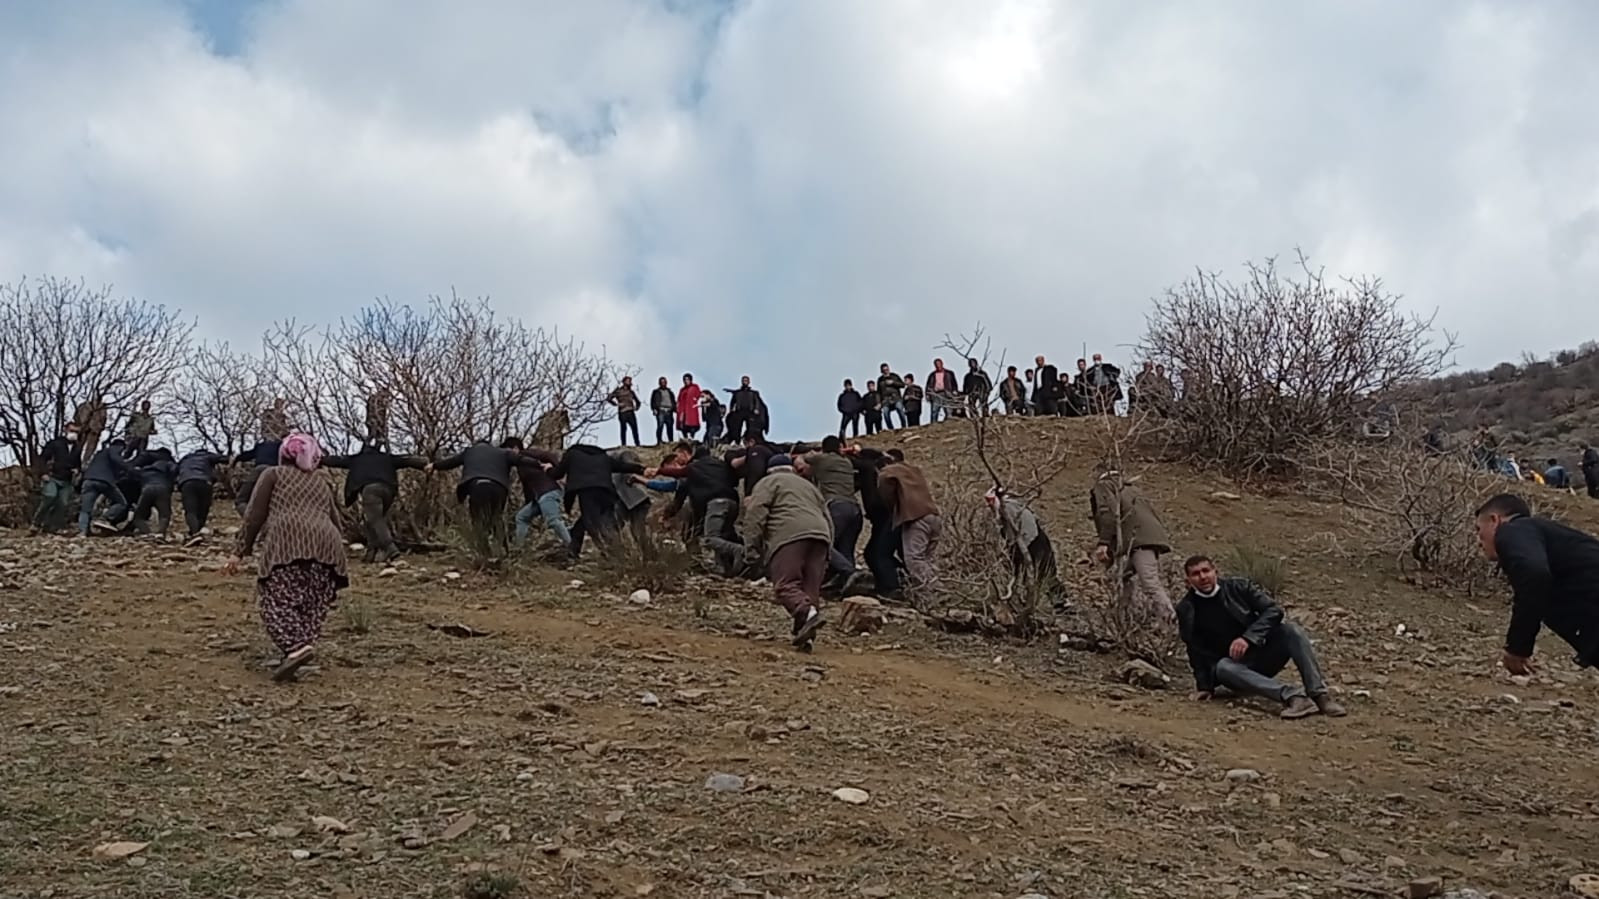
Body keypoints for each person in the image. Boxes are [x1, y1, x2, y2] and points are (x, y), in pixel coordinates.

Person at [224, 433, 349, 682]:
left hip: (287, 544)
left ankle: (295, 649)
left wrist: (238, 551)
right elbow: (337, 522)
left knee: (275, 603)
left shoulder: (272, 474)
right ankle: (299, 654)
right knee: (312, 605)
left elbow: (254, 514)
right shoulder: (320, 482)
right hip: (328, 547)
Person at [1177, 555, 1346, 719]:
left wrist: (1248, 638)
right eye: (1196, 574)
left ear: (1216, 571)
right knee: (1223, 667)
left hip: (1263, 652)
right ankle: (1294, 698)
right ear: (1188, 580)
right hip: (1234, 669)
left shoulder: (1239, 587)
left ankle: (1320, 696)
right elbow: (1194, 648)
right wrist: (1204, 686)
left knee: (1292, 630)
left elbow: (1273, 610)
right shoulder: (1186, 609)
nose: (1203, 577)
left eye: (1206, 571)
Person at [1474, 493, 1599, 674]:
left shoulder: (1513, 530)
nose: (1479, 541)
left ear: (1495, 520)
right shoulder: (1548, 539)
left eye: (1479, 529)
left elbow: (1534, 575)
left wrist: (1517, 647)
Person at [741, 453, 831, 650]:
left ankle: (807, 613)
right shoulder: (809, 486)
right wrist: (829, 547)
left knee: (785, 585)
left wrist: (752, 548)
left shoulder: (769, 482)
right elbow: (826, 514)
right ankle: (805, 635)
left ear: (769, 470)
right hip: (820, 535)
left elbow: (756, 512)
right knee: (809, 588)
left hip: (789, 534)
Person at [1090, 467, 1175, 623]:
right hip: (1148, 538)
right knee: (1120, 576)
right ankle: (1125, 617)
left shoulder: (1104, 485)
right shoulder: (1132, 489)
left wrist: (1104, 543)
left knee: (1150, 583)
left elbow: (1108, 513)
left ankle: (1170, 621)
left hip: (1138, 541)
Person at [324, 441, 430, 562]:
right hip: (388, 491)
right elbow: (405, 460)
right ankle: (370, 553)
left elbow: (337, 460)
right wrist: (424, 463)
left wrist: (319, 459)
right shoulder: (386, 458)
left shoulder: (357, 459)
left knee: (376, 520)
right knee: (372, 522)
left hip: (370, 491)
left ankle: (391, 548)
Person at [430, 439, 523, 562]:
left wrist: (434, 465)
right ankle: (504, 551)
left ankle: (484, 554)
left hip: (477, 486)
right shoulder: (502, 452)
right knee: (497, 519)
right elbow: (521, 459)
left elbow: (451, 462)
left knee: (478, 522)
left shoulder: (470, 451)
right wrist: (540, 463)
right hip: (499, 488)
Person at [660, 441, 743, 574]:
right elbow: (734, 480)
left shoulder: (693, 468)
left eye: (677, 456)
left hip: (715, 503)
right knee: (724, 535)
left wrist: (667, 515)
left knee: (711, 538)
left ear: (685, 453)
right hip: (733, 502)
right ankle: (726, 568)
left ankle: (738, 550)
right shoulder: (719, 464)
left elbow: (679, 496)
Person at [549, 442, 644, 558]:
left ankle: (615, 555)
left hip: (587, 493)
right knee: (597, 522)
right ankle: (574, 549)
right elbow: (621, 466)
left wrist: (548, 470)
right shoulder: (602, 456)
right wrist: (642, 469)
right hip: (607, 493)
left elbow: (558, 473)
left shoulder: (572, 454)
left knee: (592, 524)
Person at [985, 487, 1066, 605]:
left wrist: (1019, 550)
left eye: (991, 500)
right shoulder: (1007, 509)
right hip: (1027, 542)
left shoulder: (1008, 508)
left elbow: (1023, 532)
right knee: (1033, 575)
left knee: (1044, 571)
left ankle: (1060, 601)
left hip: (1034, 543)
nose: (989, 505)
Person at [877, 453, 941, 590]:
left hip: (915, 518)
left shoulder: (889, 471)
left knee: (914, 559)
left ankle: (936, 590)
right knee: (927, 558)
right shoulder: (914, 470)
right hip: (933, 515)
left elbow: (884, 483)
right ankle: (933, 591)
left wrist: (892, 507)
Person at [804, 437, 864, 577]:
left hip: (836, 507)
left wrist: (815, 450)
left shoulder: (822, 459)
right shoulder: (847, 462)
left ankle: (850, 573)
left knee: (824, 544)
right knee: (846, 550)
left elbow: (807, 457)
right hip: (855, 508)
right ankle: (847, 583)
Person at [509, 440, 567, 549]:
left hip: (548, 491)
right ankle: (518, 548)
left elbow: (548, 455)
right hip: (538, 497)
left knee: (553, 521)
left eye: (509, 450)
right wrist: (530, 502)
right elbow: (527, 487)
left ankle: (571, 546)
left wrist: (556, 468)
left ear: (515, 448)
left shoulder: (527, 454)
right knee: (521, 517)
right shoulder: (520, 466)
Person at [31, 422, 82, 534]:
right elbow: (42, 458)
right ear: (65, 430)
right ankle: (36, 523)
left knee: (63, 504)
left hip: (67, 480)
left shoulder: (77, 448)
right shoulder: (55, 444)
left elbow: (78, 464)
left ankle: (54, 526)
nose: (74, 434)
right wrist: (43, 473)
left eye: (77, 432)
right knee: (49, 497)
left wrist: (77, 470)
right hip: (52, 476)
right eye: (72, 431)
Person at [78, 438, 135, 537]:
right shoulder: (113, 450)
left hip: (89, 480)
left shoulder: (99, 454)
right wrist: (130, 468)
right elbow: (117, 460)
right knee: (121, 503)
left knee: (86, 508)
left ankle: (83, 532)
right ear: (121, 447)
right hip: (104, 481)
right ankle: (105, 518)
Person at [176, 447, 230, 543]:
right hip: (205, 482)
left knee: (190, 510)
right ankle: (196, 532)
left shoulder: (186, 458)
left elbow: (175, 469)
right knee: (203, 510)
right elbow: (224, 459)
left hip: (187, 482)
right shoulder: (207, 456)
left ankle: (194, 533)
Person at [610, 448, 655, 560]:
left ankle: (650, 556)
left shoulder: (619, 455)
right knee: (615, 527)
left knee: (637, 531)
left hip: (637, 500)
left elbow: (629, 460)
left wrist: (633, 474)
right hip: (625, 500)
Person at [125, 447, 179, 538]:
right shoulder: (167, 464)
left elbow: (132, 474)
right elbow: (175, 470)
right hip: (163, 489)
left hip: (147, 489)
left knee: (138, 517)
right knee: (164, 515)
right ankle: (160, 534)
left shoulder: (144, 469)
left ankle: (147, 533)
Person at [235, 436, 285, 515]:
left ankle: (250, 518)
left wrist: (236, 459)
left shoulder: (260, 446)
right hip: (275, 472)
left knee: (241, 500)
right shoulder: (281, 445)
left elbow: (248, 455)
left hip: (259, 469)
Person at [724, 376, 763, 445]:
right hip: (739, 411)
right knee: (737, 427)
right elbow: (732, 402)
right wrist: (731, 409)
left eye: (746, 380)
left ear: (749, 382)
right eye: (744, 380)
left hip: (750, 412)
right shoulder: (737, 393)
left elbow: (757, 402)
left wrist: (756, 409)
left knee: (750, 428)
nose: (745, 382)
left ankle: (748, 440)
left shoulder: (753, 393)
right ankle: (737, 441)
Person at [609, 377, 642, 447]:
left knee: (634, 428)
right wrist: (616, 404)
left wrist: (636, 407)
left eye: (630, 381)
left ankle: (637, 444)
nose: (629, 382)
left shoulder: (631, 392)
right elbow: (609, 398)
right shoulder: (618, 391)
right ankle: (623, 444)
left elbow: (638, 402)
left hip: (630, 411)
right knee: (623, 428)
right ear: (624, 382)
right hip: (622, 412)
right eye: (628, 381)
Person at [72, 396, 107, 462]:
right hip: (82, 429)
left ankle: (85, 462)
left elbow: (103, 420)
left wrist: (98, 427)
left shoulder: (102, 408)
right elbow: (76, 416)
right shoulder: (84, 405)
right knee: (77, 446)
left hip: (94, 430)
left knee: (89, 449)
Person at [926, 359, 959, 424]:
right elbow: (928, 385)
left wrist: (955, 391)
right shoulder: (932, 375)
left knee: (948, 409)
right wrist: (928, 394)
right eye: (936, 364)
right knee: (934, 410)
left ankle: (949, 424)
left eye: (939, 364)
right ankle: (933, 424)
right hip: (936, 394)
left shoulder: (949, 373)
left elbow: (954, 383)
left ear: (942, 363)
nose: (938, 365)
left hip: (947, 393)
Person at [877, 364, 906, 430]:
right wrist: (879, 402)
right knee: (885, 412)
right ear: (881, 371)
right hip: (885, 399)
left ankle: (904, 426)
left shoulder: (894, 376)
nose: (886, 371)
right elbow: (878, 392)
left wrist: (893, 383)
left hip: (896, 398)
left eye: (887, 370)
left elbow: (902, 385)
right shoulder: (880, 380)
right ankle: (890, 429)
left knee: (899, 408)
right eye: (884, 370)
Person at [649, 377, 677, 444]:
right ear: (659, 383)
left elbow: (673, 401)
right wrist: (654, 409)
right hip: (661, 410)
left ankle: (671, 441)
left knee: (670, 426)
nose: (663, 383)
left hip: (669, 411)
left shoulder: (670, 392)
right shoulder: (656, 392)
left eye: (664, 382)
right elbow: (652, 401)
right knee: (660, 425)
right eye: (661, 382)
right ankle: (659, 441)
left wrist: (675, 409)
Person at [677, 374, 703, 442]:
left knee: (692, 424)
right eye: (685, 380)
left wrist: (696, 400)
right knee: (683, 425)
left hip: (691, 410)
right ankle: (685, 438)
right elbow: (679, 399)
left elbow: (699, 395)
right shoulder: (682, 390)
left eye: (687, 379)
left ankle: (691, 437)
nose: (686, 381)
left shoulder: (695, 387)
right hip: (683, 410)